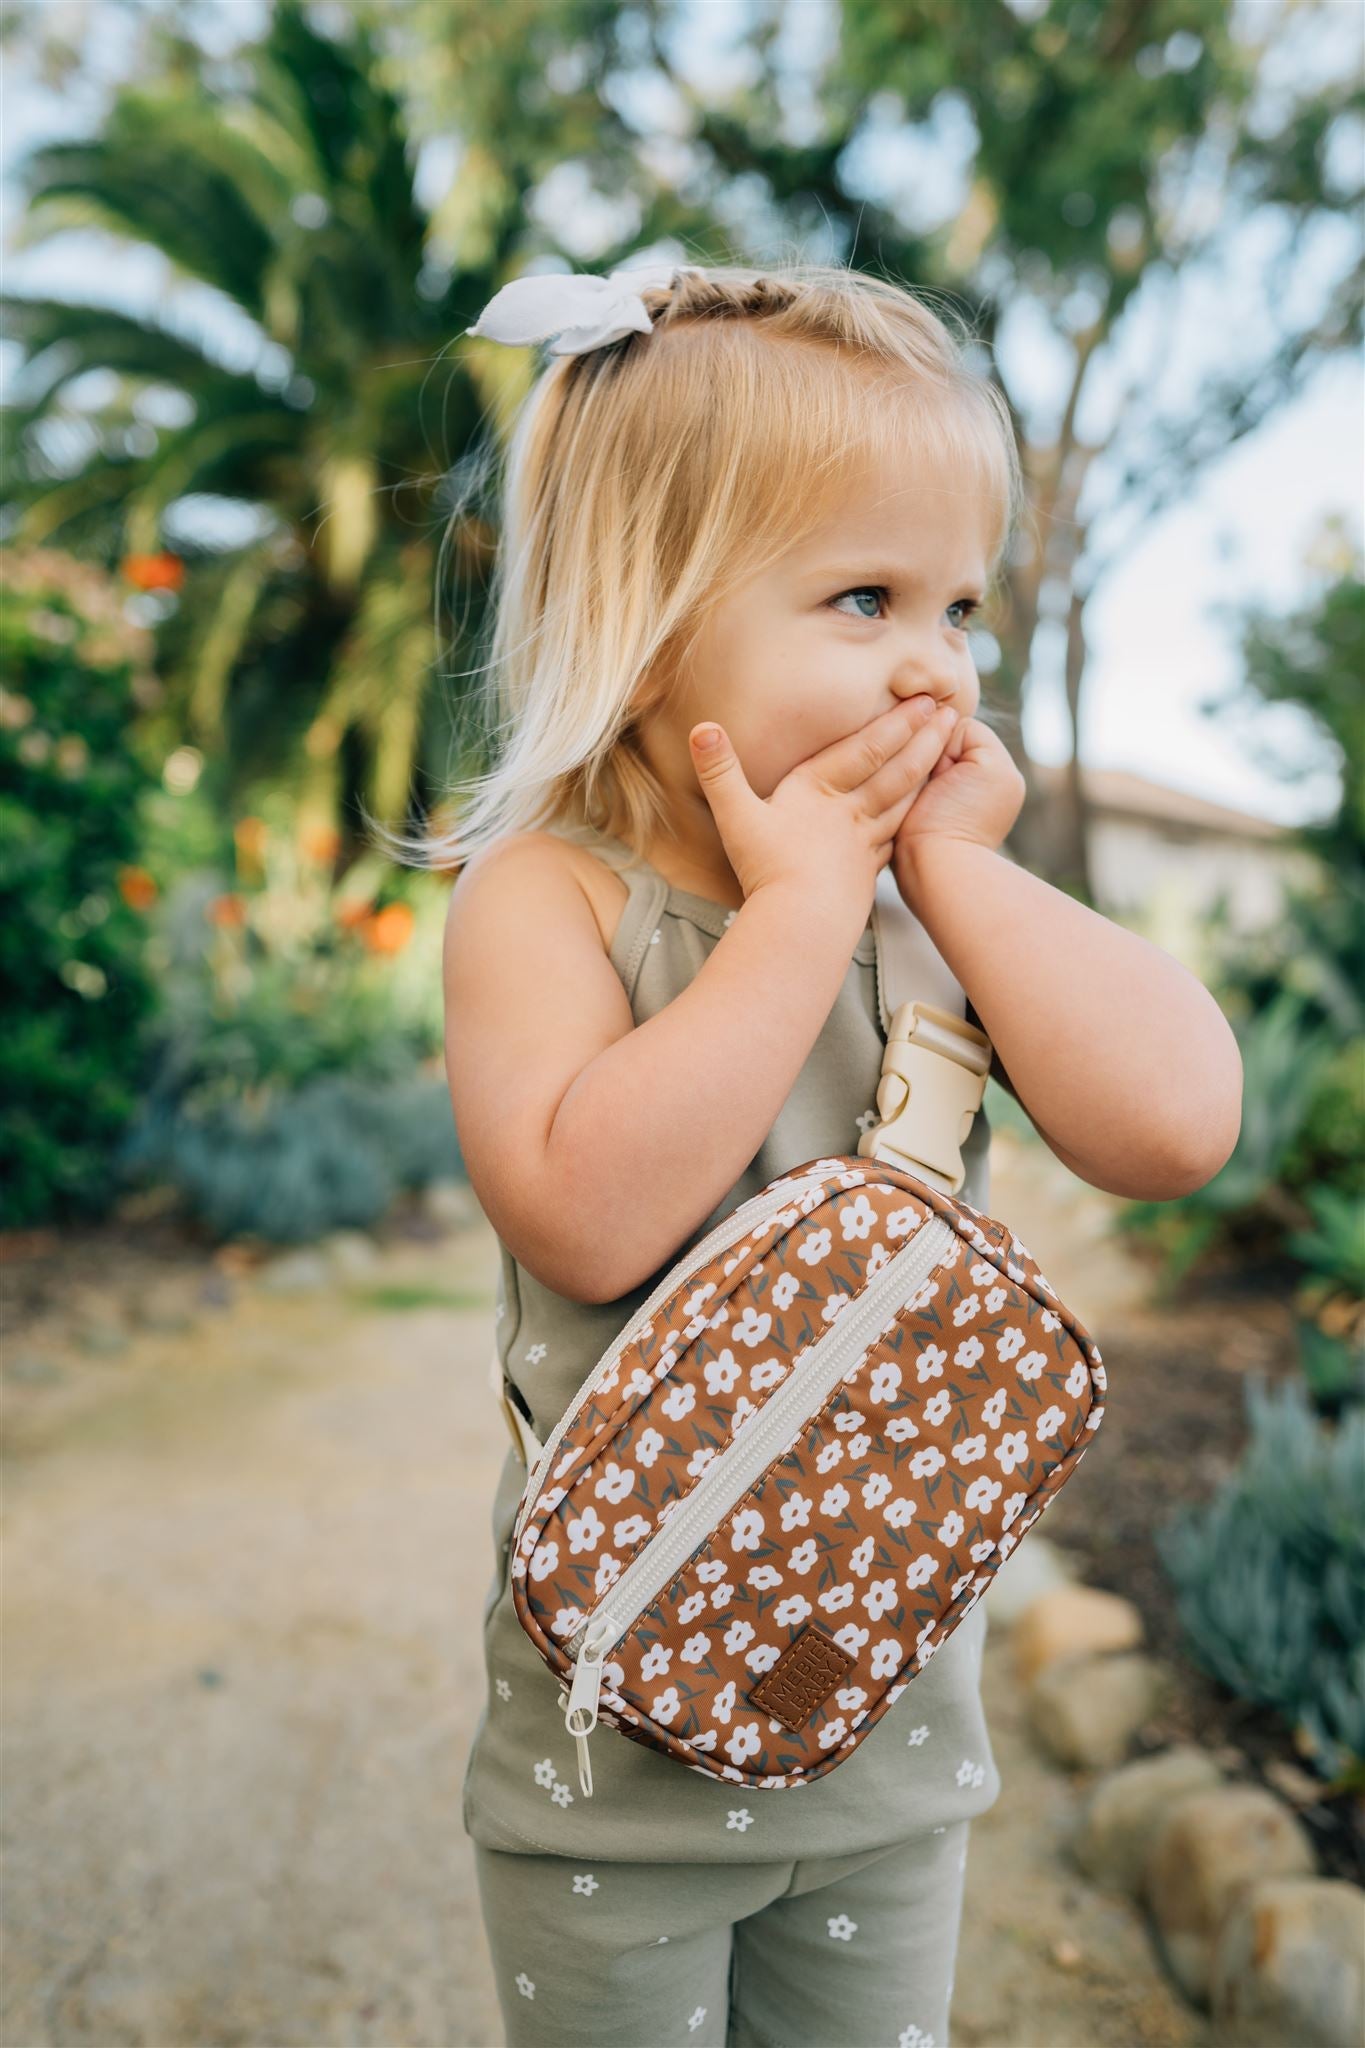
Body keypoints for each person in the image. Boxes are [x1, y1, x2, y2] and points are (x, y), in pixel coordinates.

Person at [415, 261, 1242, 2047]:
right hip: (611, 1761)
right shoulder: (549, 901)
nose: (932, 663)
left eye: (960, 608)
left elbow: (1175, 1124)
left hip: (882, 1736)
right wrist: (796, 916)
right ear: (640, 629)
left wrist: (950, 876)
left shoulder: (927, 917)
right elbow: (580, 1211)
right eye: (862, 597)